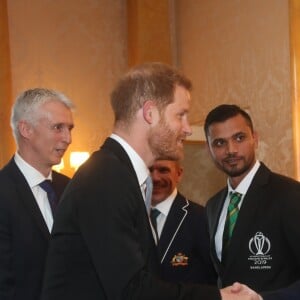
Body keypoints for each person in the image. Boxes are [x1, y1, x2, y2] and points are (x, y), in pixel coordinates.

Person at [41, 63, 260, 300]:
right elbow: (132, 291)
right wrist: (220, 298)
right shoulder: (106, 179)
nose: (187, 129)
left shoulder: (119, 174)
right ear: (150, 113)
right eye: (180, 115)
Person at [204, 104, 300, 294]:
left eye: (239, 138)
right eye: (220, 143)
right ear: (209, 149)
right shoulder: (213, 206)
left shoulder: (290, 194)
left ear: (255, 139)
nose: (231, 150)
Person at [0, 88, 74, 300]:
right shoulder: (3, 192)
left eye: (69, 128)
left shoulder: (72, 189)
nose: (68, 138)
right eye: (58, 127)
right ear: (26, 129)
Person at [149, 159, 217, 284]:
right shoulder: (128, 217)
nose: (155, 178)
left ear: (179, 174)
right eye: (149, 170)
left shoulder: (202, 218)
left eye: (163, 170)